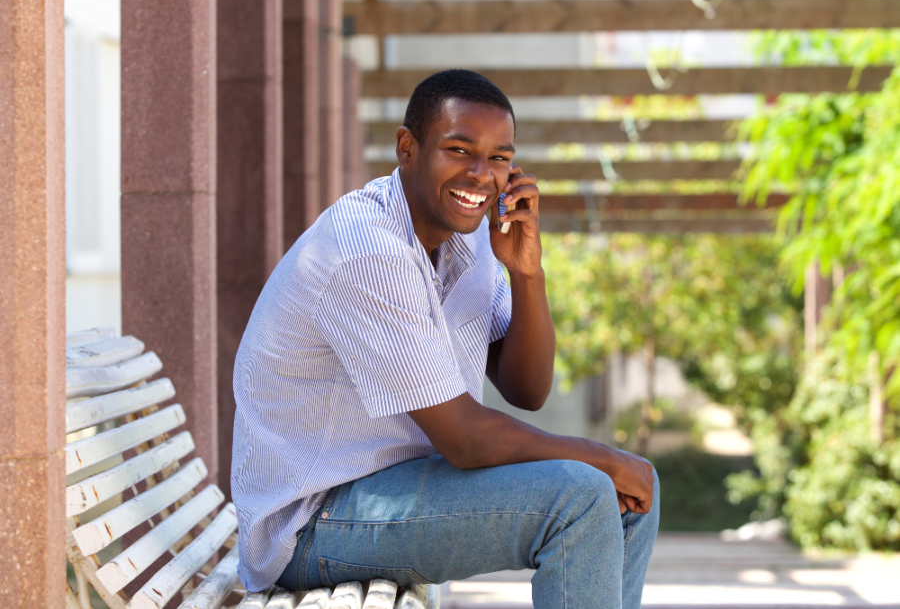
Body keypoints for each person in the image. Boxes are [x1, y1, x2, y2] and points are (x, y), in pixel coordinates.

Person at [231, 69, 659, 609]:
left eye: (499, 158)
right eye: (460, 150)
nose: (481, 175)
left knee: (632, 490)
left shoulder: (472, 237)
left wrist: (528, 274)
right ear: (408, 149)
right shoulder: (367, 250)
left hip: (399, 490)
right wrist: (600, 458)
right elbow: (465, 439)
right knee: (584, 493)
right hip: (310, 523)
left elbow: (526, 388)